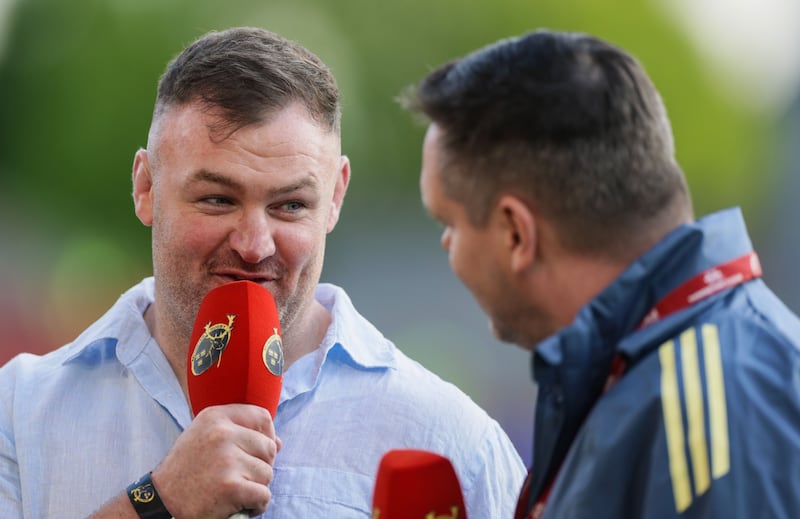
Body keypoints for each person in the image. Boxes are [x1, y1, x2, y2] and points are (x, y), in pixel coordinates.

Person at [0, 27, 526, 518]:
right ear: (146, 188)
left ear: (335, 197)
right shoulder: (21, 413)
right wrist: (159, 502)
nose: (254, 246)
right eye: (217, 199)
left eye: (290, 206)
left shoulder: (453, 442)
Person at [402, 28, 800, 519]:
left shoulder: (700, 415)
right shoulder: (658, 378)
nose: (446, 246)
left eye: (449, 223)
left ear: (515, 234)